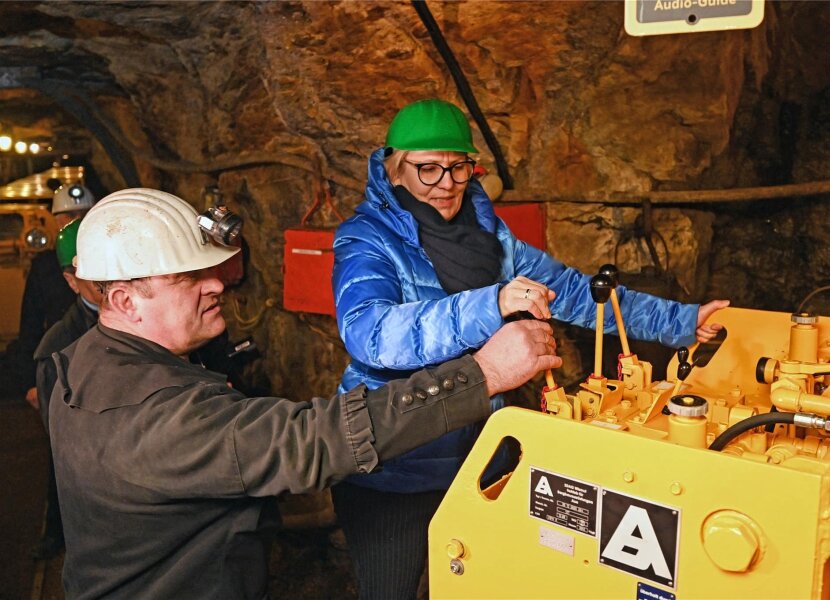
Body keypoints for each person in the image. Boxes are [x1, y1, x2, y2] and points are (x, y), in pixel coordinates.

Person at [48, 187, 561, 599]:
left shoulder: (83, 362)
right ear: (123, 299)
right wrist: (483, 372)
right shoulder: (157, 417)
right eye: (188, 276)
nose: (217, 285)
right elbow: (313, 441)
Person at [330, 98, 730, 599]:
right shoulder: (365, 239)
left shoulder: (491, 238)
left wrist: (684, 321)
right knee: (392, 590)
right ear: (394, 170)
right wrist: (492, 302)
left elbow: (583, 295)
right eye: (427, 169)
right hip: (394, 465)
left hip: (480, 451)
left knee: (474, 582)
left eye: (458, 168)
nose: (446, 184)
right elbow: (371, 332)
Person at [29, 218, 102, 559]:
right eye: (92, 270)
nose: (105, 278)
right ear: (71, 281)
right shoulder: (58, 348)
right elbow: (65, 443)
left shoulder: (146, 321)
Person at [19, 183, 96, 404]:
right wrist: (31, 381)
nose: (78, 219)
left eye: (84, 214)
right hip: (62, 359)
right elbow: (31, 323)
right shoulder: (44, 267)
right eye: (70, 215)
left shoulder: (112, 256)